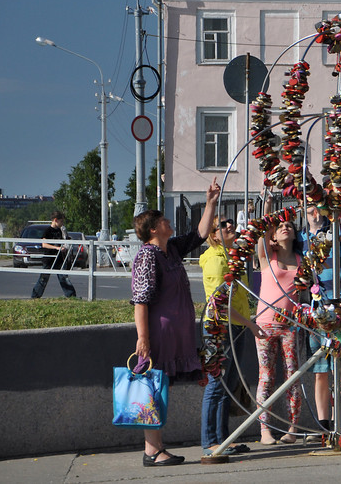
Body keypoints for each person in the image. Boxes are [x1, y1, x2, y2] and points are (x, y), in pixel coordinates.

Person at [130, 177, 220, 467]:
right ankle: (152, 450)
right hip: (158, 335)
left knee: (160, 388)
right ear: (154, 228)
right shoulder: (147, 255)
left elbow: (200, 234)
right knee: (153, 388)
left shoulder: (170, 250)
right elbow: (141, 300)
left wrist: (210, 203)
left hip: (174, 335)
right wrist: (143, 338)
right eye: (165, 220)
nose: (170, 222)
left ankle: (156, 447)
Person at [199, 217, 264, 457]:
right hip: (219, 328)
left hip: (233, 327)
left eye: (230, 223)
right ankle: (209, 441)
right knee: (217, 383)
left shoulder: (230, 258)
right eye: (222, 225)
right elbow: (220, 304)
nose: (229, 226)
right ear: (214, 236)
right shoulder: (216, 262)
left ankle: (223, 439)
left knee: (227, 385)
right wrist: (250, 323)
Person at [300, 204, 341, 437]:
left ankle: (337, 422)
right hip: (315, 311)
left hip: (337, 307)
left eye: (315, 207)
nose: (312, 212)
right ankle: (324, 424)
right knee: (320, 369)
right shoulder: (302, 238)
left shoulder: (340, 231)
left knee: (339, 368)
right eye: (307, 207)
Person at [256, 218, 303, 445]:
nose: (286, 228)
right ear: (274, 235)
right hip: (265, 325)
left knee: (292, 376)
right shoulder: (267, 258)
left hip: (290, 325)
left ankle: (293, 428)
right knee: (266, 377)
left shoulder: (301, 261)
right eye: (280, 226)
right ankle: (265, 429)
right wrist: (268, 210)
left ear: (294, 234)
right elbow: (261, 235)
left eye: (290, 226)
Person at [31, 211, 76, 298]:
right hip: (49, 258)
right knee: (43, 278)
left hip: (58, 259)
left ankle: (71, 295)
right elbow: (44, 244)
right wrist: (56, 248)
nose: (62, 223)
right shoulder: (48, 231)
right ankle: (35, 296)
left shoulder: (59, 230)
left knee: (63, 277)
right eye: (61, 221)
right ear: (55, 220)